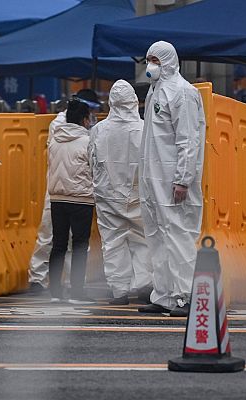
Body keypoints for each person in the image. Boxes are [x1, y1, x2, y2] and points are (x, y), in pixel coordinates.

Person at [137, 41, 206, 316]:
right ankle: (164, 295)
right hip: (153, 180)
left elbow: (188, 140)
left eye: (155, 60)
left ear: (168, 61)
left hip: (171, 180)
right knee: (157, 237)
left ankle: (185, 296)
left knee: (178, 237)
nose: (150, 66)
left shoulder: (183, 92)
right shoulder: (156, 91)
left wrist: (183, 178)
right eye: (148, 60)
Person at [28, 89, 100, 293]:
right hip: (64, 188)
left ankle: (67, 282)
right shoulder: (61, 125)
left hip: (63, 189)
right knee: (52, 235)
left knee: (64, 239)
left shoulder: (79, 127)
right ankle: (39, 278)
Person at [88, 80, 152, 305]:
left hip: (108, 196)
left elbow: (91, 161)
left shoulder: (99, 130)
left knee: (113, 243)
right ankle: (144, 285)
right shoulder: (145, 128)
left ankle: (119, 291)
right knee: (143, 240)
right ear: (134, 101)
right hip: (139, 195)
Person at [47, 99, 96, 305]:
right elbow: (95, 168)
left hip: (57, 198)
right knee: (79, 245)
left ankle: (55, 291)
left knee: (58, 244)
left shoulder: (55, 140)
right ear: (85, 120)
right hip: (81, 199)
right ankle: (77, 292)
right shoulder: (88, 141)